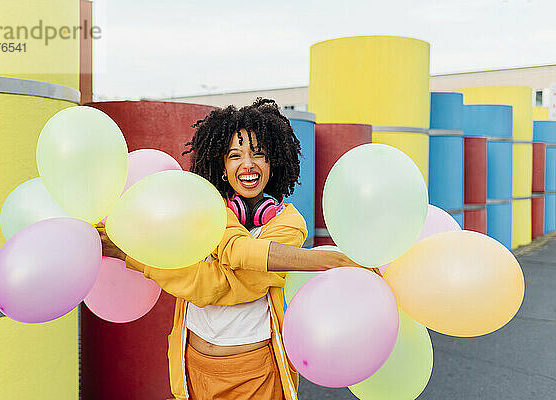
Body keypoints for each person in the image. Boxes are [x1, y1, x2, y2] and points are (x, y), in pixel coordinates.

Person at [97, 98, 379, 400]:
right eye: (235, 155)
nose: (248, 164)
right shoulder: (207, 208)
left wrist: (131, 255)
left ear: (273, 162)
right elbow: (229, 256)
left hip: (255, 375)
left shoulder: (288, 223)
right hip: (192, 367)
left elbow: (219, 283)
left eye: (259, 153)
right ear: (222, 165)